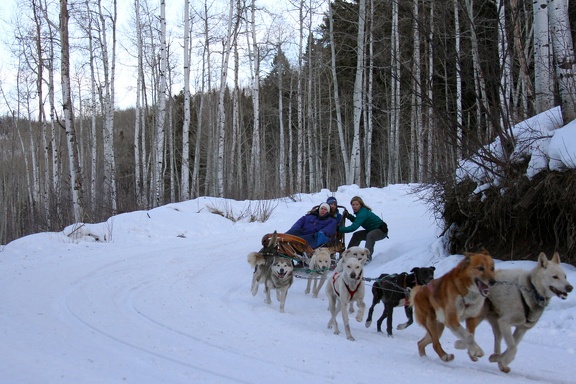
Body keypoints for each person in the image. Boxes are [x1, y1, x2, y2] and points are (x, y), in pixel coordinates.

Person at [338, 196, 388, 260]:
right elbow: (358, 221)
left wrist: (339, 229)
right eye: (353, 205)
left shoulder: (362, 213)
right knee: (357, 235)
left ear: (360, 205)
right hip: (372, 229)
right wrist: (349, 216)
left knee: (370, 235)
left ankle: (367, 257)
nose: (354, 206)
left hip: (381, 231)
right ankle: (348, 255)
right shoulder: (360, 212)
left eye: (357, 204)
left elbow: (353, 227)